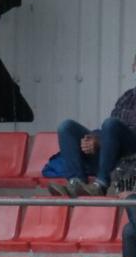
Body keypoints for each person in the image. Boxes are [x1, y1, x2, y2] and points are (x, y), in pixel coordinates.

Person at [48, 53, 136, 198]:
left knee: (110, 124)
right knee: (67, 127)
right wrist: (93, 139)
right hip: (111, 156)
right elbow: (109, 131)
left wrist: (100, 141)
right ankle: (76, 183)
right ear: (134, 67)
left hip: (131, 155)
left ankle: (100, 185)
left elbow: (114, 127)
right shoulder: (127, 97)